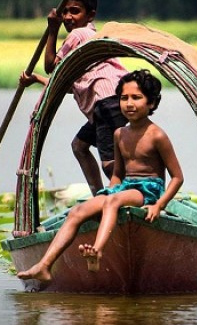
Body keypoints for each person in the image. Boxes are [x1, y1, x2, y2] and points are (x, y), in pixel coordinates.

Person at [17, 69, 184, 283]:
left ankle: (97, 250)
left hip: (148, 190)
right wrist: (105, 195)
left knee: (112, 201)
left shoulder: (157, 135)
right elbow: (117, 175)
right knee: (78, 211)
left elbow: (177, 177)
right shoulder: (119, 134)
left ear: (151, 103)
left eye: (136, 98)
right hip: (124, 189)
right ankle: (44, 265)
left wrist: (158, 205)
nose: (129, 103)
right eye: (124, 98)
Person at [20, 0, 129, 194]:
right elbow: (67, 85)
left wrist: (52, 30)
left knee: (109, 162)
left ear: (90, 15)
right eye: (65, 12)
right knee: (79, 146)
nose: (68, 17)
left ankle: (131, 193)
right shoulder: (89, 36)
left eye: (75, 11)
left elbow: (51, 66)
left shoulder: (79, 34)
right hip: (110, 103)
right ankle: (99, 194)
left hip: (106, 103)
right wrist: (35, 79)